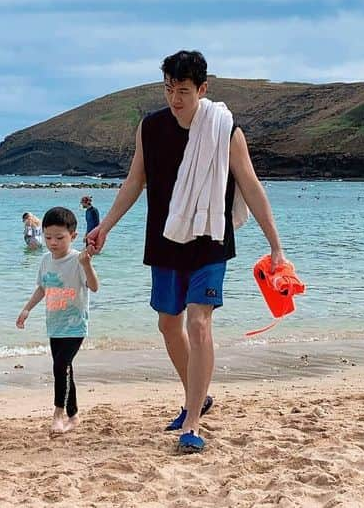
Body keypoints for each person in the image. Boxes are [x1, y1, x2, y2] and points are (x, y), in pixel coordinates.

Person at [85, 50, 289, 453]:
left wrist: (275, 245)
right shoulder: (150, 128)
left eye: (182, 90)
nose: (174, 99)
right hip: (164, 239)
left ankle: (192, 421)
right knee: (168, 325)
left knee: (198, 323)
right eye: (168, 89)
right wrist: (104, 227)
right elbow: (134, 182)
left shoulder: (224, 129)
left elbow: (249, 184)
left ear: (202, 89)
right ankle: (199, 395)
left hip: (209, 239)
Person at [16, 206, 100, 434]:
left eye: (60, 238)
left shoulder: (77, 260)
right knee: (65, 369)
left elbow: (94, 287)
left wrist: (87, 264)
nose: (53, 242)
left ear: (73, 236)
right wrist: (26, 310)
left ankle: (58, 416)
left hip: (75, 325)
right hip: (54, 325)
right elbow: (42, 288)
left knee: (60, 367)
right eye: (48, 237)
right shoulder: (45, 260)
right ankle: (74, 416)